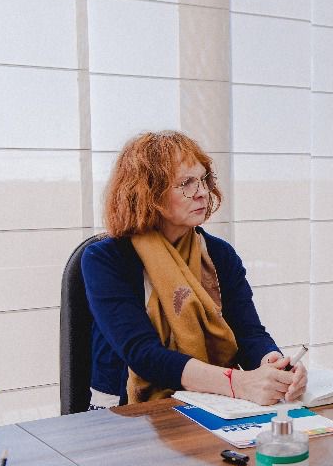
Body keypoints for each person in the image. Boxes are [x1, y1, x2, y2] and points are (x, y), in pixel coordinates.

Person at [82, 130, 306, 407]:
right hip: (125, 412)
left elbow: (249, 334)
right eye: (186, 183)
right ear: (148, 192)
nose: (202, 192)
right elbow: (143, 355)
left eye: (203, 179)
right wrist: (240, 383)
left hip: (213, 403)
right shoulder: (106, 258)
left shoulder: (219, 254)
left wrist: (274, 365)